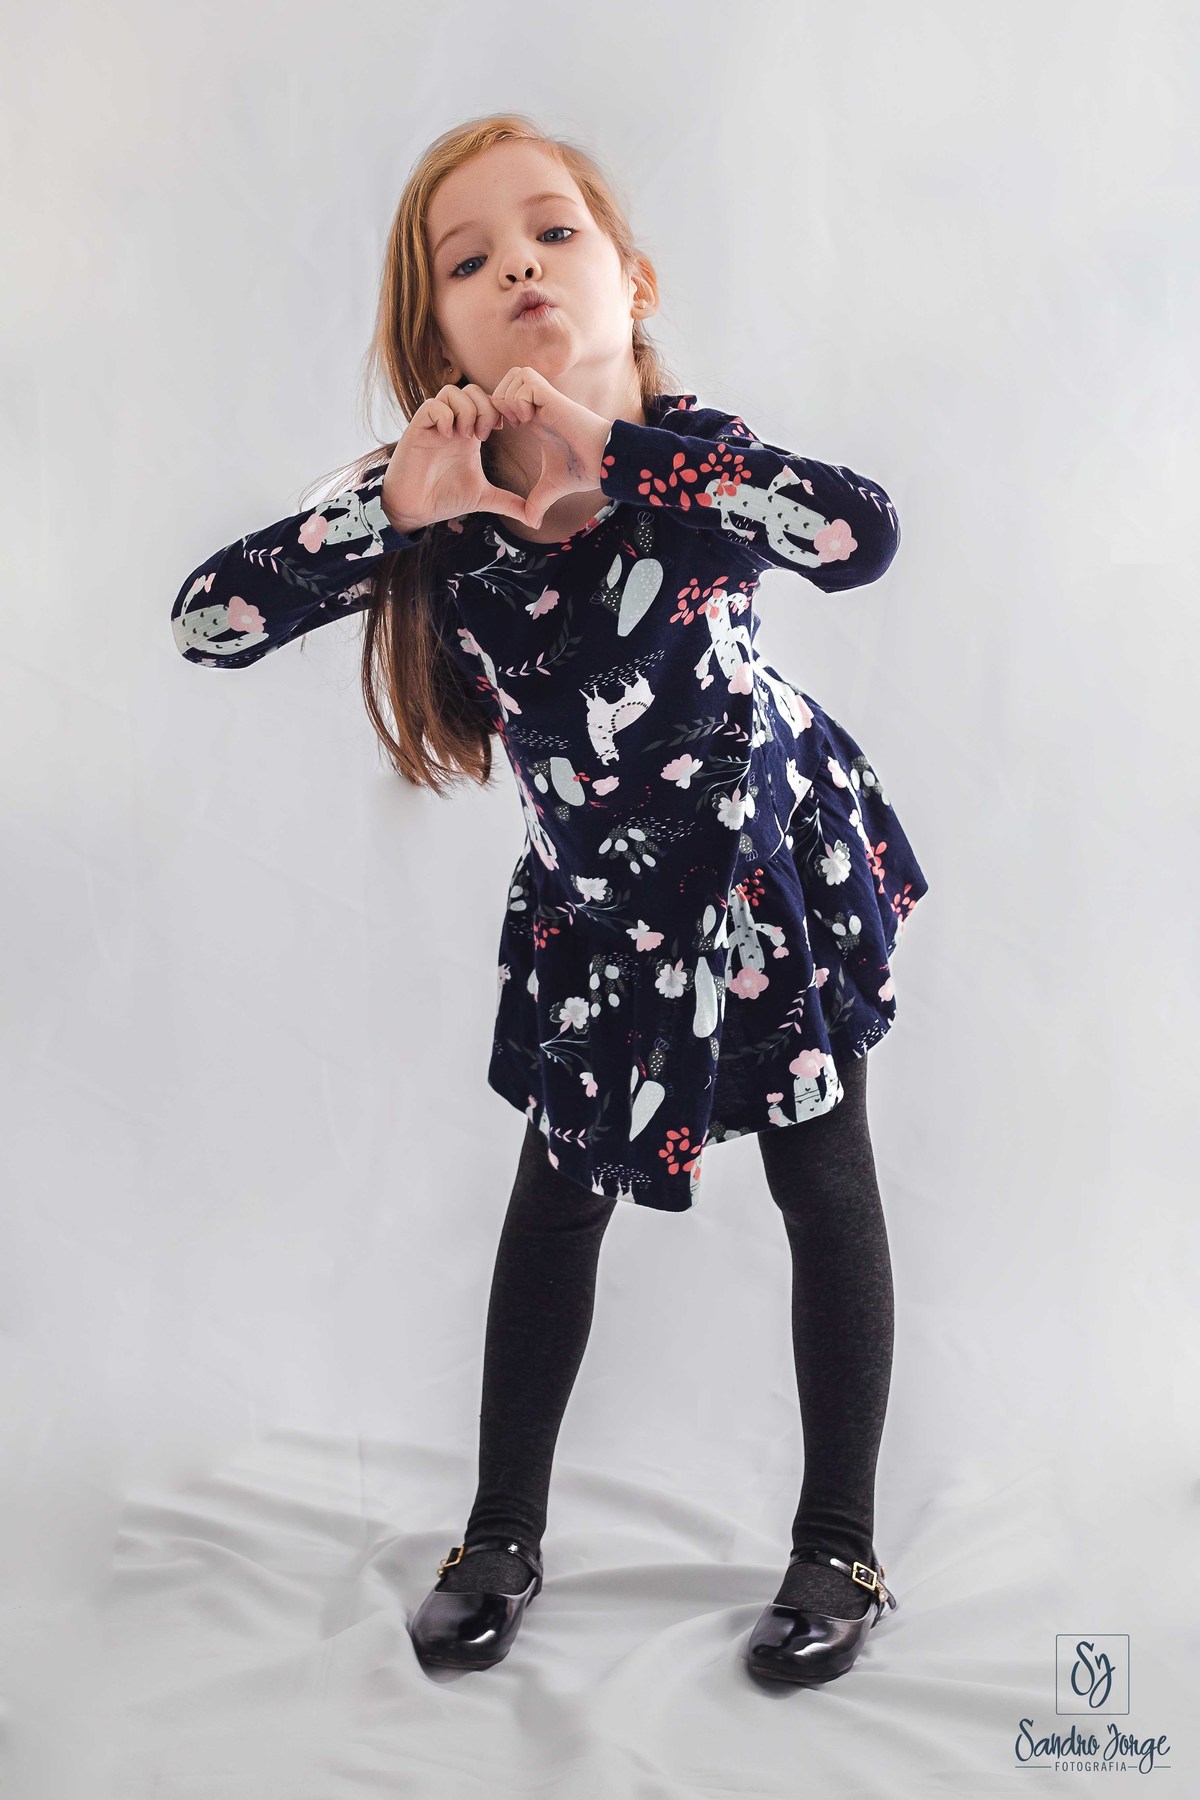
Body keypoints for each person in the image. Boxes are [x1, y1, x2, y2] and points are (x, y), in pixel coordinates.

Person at [170, 113, 928, 1685]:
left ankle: (840, 1544)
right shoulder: (432, 501)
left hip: (761, 882)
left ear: (630, 282)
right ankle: (500, 1532)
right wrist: (391, 509)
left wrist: (618, 452)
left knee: (823, 1182)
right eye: (470, 258)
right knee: (557, 1206)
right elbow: (207, 623)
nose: (518, 262)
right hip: (597, 920)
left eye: (553, 232)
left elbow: (859, 535)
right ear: (435, 335)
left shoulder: (695, 465)